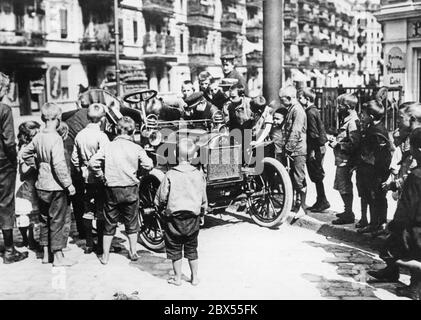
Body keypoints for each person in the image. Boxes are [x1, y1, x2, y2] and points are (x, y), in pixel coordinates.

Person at [89, 116, 153, 265]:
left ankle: (105, 256)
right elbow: (149, 165)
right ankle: (133, 252)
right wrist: (140, 174)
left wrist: (101, 176)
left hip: (112, 189)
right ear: (133, 131)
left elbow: (93, 163)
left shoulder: (108, 146)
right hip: (130, 188)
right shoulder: (136, 147)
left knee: (109, 222)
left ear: (117, 130)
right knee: (132, 222)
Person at [367, 127, 421, 300]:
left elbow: (407, 206)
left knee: (389, 250)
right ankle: (412, 286)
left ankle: (413, 284)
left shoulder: (416, 176)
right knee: (415, 253)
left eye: (411, 147)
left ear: (417, 150)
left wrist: (394, 224)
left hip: (412, 226)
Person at [21, 102, 76, 266]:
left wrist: (37, 164)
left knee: (44, 220)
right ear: (58, 118)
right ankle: (58, 258)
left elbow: (24, 153)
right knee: (57, 221)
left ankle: (46, 255)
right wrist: (68, 185)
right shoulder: (56, 138)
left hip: (41, 185)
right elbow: (59, 165)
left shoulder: (38, 136)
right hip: (56, 186)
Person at [155, 138, 207, 286]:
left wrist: (159, 208)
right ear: (192, 157)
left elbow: (162, 196)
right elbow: (203, 197)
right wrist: (202, 213)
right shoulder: (198, 174)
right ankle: (194, 277)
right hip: (193, 218)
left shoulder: (171, 174)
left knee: (174, 248)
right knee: (192, 248)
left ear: (177, 156)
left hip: (174, 219)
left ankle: (178, 278)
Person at [71, 103, 110, 254]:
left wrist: (81, 169)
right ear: (103, 119)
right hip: (99, 177)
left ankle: (88, 243)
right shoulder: (102, 136)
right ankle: (100, 243)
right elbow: (106, 156)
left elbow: (75, 158)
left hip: (85, 176)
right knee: (100, 210)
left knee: (87, 210)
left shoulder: (80, 135)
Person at [0, 72, 28, 264]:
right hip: (2, 163)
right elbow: (9, 141)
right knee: (5, 203)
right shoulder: (4, 109)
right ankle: (9, 250)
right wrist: (15, 159)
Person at [356, 100, 392, 234]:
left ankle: (381, 224)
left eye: (363, 115)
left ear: (371, 116)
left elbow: (383, 156)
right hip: (368, 170)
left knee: (379, 198)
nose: (361, 117)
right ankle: (373, 223)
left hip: (376, 172)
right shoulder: (371, 127)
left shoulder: (378, 132)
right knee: (371, 198)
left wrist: (381, 175)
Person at [329, 93, 361, 225]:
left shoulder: (352, 121)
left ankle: (348, 214)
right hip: (341, 158)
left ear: (347, 106)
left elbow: (355, 144)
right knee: (341, 186)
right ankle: (347, 210)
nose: (337, 108)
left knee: (344, 187)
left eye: (340, 105)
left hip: (346, 160)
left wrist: (338, 145)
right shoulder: (347, 118)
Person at [298, 88, 330, 212]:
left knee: (316, 175)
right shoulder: (313, 110)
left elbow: (314, 134)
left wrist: (311, 151)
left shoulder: (310, 112)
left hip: (315, 148)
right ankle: (321, 200)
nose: (299, 100)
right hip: (318, 147)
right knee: (317, 175)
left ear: (307, 99)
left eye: (300, 98)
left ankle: (323, 201)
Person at [279, 85, 307, 215]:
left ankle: (302, 207)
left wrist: (288, 149)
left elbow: (295, 132)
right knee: (293, 177)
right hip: (293, 150)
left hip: (298, 150)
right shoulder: (291, 109)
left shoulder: (297, 111)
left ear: (289, 98)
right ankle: (296, 204)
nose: (280, 102)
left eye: (282, 99)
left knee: (299, 178)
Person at [15, 121, 41, 252]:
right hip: (26, 185)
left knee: (26, 214)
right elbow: (23, 172)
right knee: (28, 212)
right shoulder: (26, 149)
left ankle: (27, 239)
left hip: (27, 185)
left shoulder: (25, 146)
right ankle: (29, 240)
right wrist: (35, 164)